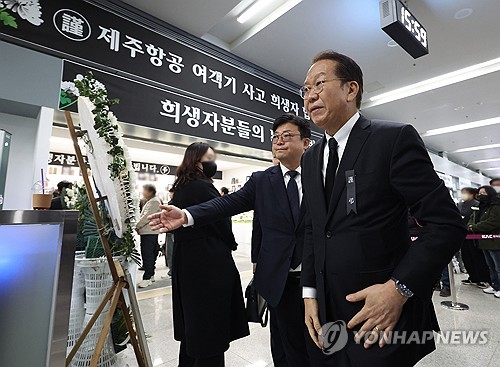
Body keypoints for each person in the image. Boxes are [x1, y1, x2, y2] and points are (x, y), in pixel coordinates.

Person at [297, 51, 465, 366]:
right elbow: (313, 228)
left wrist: (399, 289)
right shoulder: (310, 158)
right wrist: (309, 293)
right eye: (305, 89)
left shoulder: (392, 139)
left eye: (319, 83)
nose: (310, 95)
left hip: (381, 318)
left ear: (351, 89)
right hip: (325, 315)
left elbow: (447, 224)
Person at [149, 114, 325, 366]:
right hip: (280, 280)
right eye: (275, 137)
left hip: (316, 277)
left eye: (287, 136)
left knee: (316, 346)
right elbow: (226, 204)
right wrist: (187, 215)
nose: (279, 142)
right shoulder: (262, 180)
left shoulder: (322, 176)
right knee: (285, 347)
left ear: (306, 142)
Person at [168, 142, 248, 366]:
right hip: (208, 262)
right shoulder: (202, 187)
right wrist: (231, 243)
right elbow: (221, 220)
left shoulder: (183, 186)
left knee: (194, 325)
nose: (214, 164)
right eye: (209, 159)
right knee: (210, 326)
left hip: (187, 260)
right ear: (197, 162)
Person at [468, 185, 500, 299]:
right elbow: (472, 218)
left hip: (495, 241)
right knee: (490, 265)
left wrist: (475, 227)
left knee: (498, 266)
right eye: (479, 193)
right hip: (484, 241)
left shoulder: (496, 207)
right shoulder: (480, 206)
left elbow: (493, 222)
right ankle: (495, 285)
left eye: (483, 193)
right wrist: (471, 225)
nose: (480, 195)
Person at [460, 187, 490, 288]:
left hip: (474, 234)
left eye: (465, 193)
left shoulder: (476, 204)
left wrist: (472, 226)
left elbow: (475, 218)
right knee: (466, 256)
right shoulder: (461, 204)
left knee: (476, 256)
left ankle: (482, 278)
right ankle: (473, 276)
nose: (462, 195)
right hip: (462, 234)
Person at [136, 184, 162, 288]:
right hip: (149, 231)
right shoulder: (151, 201)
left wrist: (137, 226)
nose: (143, 193)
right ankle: (150, 275)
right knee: (151, 253)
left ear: (150, 191)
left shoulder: (154, 201)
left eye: (144, 191)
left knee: (147, 254)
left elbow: (147, 217)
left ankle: (147, 277)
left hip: (149, 231)